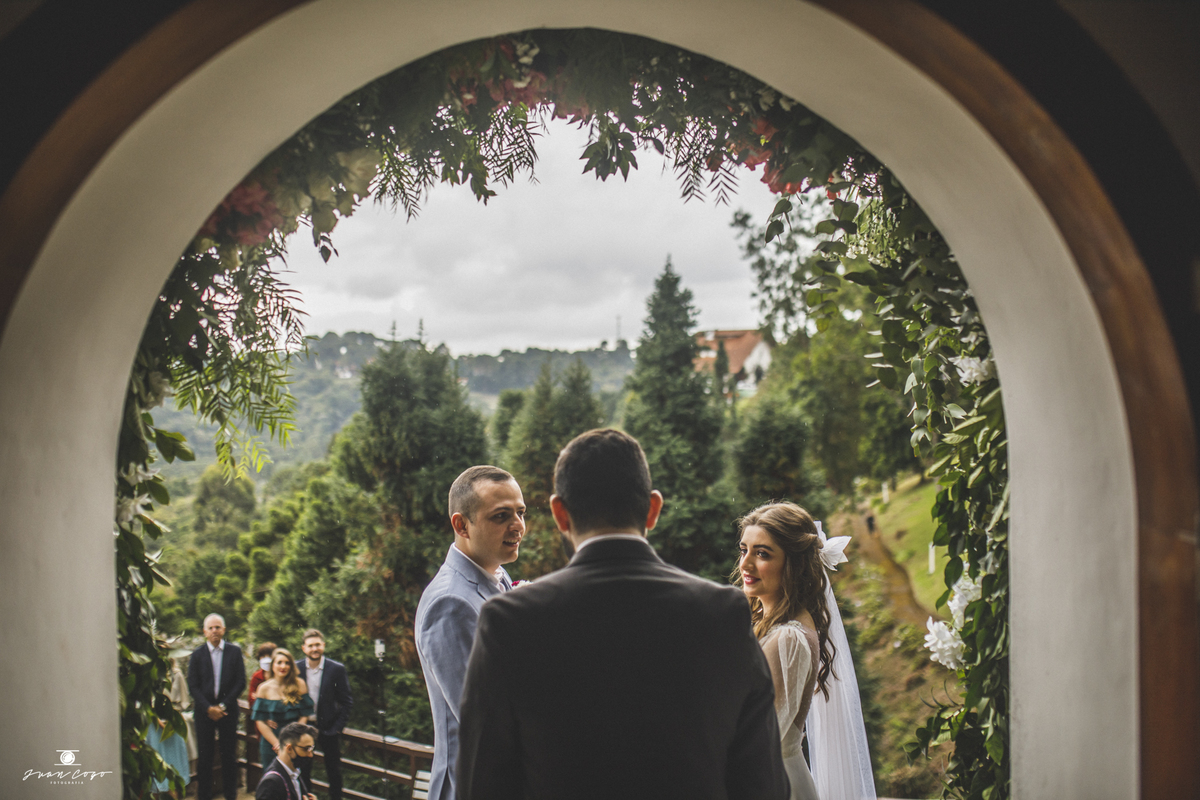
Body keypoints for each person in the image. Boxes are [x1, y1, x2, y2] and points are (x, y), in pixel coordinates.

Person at [456, 429, 788, 800]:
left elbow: (480, 785)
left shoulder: (509, 621)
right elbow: (764, 785)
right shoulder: (722, 613)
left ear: (559, 514)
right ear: (653, 508)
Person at [735, 502, 876, 800]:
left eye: (762, 554)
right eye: (744, 550)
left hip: (773, 784)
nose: (745, 564)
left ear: (793, 565)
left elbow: (759, 738)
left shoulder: (788, 638)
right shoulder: (775, 624)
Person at [415, 465, 525, 800]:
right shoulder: (450, 603)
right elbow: (484, 720)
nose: (518, 526)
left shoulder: (497, 578)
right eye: (501, 516)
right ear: (461, 525)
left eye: (520, 512)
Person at [186, 614, 247, 800]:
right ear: (205, 631)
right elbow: (192, 685)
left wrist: (222, 705)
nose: (214, 631)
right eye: (211, 628)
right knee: (205, 757)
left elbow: (241, 682)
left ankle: (231, 796)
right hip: (204, 712)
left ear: (224, 630)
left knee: (229, 755)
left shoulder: (234, 652)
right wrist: (208, 708)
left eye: (218, 627)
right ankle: (204, 796)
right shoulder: (197, 654)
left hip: (227, 711)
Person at [297, 629, 353, 800]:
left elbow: (346, 701)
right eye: (310, 645)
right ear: (304, 648)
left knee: (333, 772)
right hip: (304, 727)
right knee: (303, 771)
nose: (314, 649)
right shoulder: (296, 668)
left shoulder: (336, 669)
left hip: (328, 728)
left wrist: (337, 728)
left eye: (317, 645)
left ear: (323, 645)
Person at [251, 648, 314, 775]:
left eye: (287, 663)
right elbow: (260, 720)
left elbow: (304, 714)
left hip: (295, 741)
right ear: (272, 665)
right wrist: (277, 744)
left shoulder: (299, 684)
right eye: (279, 662)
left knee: (297, 777)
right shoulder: (263, 688)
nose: (283, 666)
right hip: (271, 742)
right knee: (273, 777)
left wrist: (294, 738)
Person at [147, 655, 191, 797]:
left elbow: (184, 701)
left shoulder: (177, 674)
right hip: (154, 726)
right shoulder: (150, 673)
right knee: (156, 772)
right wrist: (155, 718)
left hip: (172, 725)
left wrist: (172, 717)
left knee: (173, 771)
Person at [256, 722, 318, 800]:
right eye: (306, 749)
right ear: (289, 748)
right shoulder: (271, 783)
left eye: (311, 749)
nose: (310, 755)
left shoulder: (294, 772)